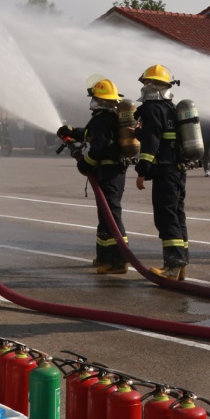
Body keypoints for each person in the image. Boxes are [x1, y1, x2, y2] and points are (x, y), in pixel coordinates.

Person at [64, 78, 130, 275]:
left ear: (100, 100)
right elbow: (90, 134)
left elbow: (98, 148)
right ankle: (104, 256)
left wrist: (85, 163)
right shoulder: (108, 118)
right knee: (105, 214)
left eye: (94, 98)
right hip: (113, 171)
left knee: (111, 214)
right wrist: (72, 131)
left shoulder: (101, 119)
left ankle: (119, 260)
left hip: (109, 172)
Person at [134, 64, 190, 281]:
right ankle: (181, 264)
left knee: (166, 218)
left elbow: (152, 142)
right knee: (177, 216)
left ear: (155, 86)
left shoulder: (152, 109)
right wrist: (140, 132)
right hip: (177, 170)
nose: (146, 87)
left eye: (148, 83)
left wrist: (142, 171)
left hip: (165, 172)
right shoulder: (171, 109)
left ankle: (172, 266)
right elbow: (164, 136)